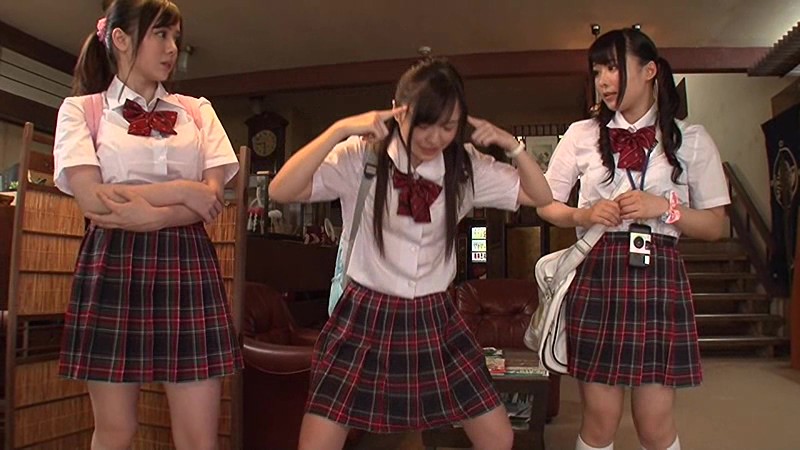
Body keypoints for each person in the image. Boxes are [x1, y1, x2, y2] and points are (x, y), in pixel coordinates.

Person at [269, 57, 553, 450]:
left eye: (448, 126)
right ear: (397, 110)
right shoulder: (362, 157)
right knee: (318, 443)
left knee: (498, 437)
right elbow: (281, 189)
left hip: (434, 315)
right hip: (365, 312)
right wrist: (339, 130)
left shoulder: (464, 167)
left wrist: (513, 146)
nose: (435, 137)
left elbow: (540, 196)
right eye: (425, 123)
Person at [52, 1, 242, 449]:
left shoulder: (198, 111)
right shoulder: (81, 110)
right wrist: (182, 190)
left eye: (175, 37)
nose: (172, 47)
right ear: (120, 39)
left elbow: (211, 198)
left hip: (188, 264)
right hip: (113, 265)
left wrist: (152, 215)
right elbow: (92, 199)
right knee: (116, 431)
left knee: (199, 439)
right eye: (160, 34)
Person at [536, 29, 730, 450]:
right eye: (596, 71)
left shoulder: (691, 139)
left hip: (659, 278)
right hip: (598, 274)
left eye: (612, 68)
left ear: (649, 71)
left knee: (654, 424)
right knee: (599, 420)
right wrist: (583, 214)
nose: (603, 81)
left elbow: (717, 225)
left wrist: (664, 208)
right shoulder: (581, 134)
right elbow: (545, 204)